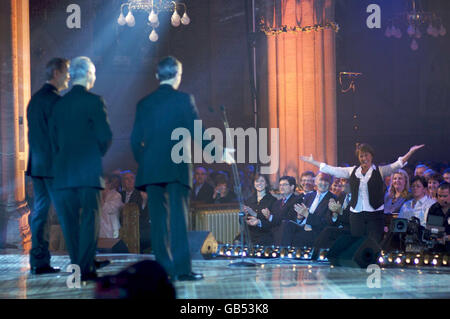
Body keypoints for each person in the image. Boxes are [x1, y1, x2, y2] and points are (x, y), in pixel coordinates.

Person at [131, 56, 212, 281]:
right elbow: (198, 132)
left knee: (157, 222)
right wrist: (218, 153)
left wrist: (145, 163)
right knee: (179, 220)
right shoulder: (184, 100)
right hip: (177, 169)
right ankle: (182, 271)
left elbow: (135, 140)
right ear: (178, 75)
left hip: (153, 171)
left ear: (157, 76)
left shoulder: (144, 103)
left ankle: (163, 270)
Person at [49, 56, 113, 282]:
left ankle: (77, 268)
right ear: (87, 75)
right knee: (89, 220)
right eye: (94, 73)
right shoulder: (95, 101)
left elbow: (53, 141)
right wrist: (94, 155)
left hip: (63, 175)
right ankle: (86, 270)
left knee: (70, 224)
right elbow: (105, 137)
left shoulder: (58, 105)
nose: (95, 77)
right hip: (88, 173)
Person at [300, 143, 425, 243]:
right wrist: (313, 162)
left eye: (366, 155)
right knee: (358, 242)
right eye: (361, 156)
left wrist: (411, 152)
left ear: (371, 156)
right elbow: (333, 170)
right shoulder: (352, 171)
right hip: (356, 214)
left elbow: (397, 164)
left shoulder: (380, 171)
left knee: (373, 243)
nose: (364, 158)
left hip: (374, 214)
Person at [26, 57, 70, 275]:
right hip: (54, 166)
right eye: (67, 72)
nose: (69, 77)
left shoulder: (34, 100)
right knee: (66, 212)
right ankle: (81, 259)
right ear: (56, 73)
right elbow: (60, 136)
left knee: (41, 212)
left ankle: (39, 261)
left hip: (37, 165)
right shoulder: (55, 101)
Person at [279, 172, 341, 247]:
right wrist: (299, 217)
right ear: (315, 182)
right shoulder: (309, 196)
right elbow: (300, 219)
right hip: (302, 227)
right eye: (321, 180)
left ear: (330, 183)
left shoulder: (333, 199)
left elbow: (326, 223)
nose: (323, 183)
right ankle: (284, 253)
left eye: (326, 181)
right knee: (286, 224)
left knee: (303, 233)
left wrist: (307, 215)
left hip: (316, 230)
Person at [246, 176, 303, 245]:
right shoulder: (278, 203)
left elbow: (287, 220)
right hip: (273, 235)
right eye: (280, 185)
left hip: (288, 236)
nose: (281, 187)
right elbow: (271, 222)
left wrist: (269, 217)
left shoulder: (297, 200)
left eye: (285, 184)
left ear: (292, 187)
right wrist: (259, 222)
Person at [243, 173, 277, 246]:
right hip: (250, 234)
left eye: (262, 181)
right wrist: (245, 217)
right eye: (257, 181)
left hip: (264, 235)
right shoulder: (249, 200)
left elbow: (272, 223)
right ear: (254, 183)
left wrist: (257, 219)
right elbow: (241, 220)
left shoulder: (272, 200)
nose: (259, 183)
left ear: (266, 184)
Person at [120, 170, 149, 253]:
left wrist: (144, 201)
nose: (129, 181)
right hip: (122, 229)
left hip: (139, 229)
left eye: (132, 178)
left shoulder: (141, 193)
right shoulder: (119, 195)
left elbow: (144, 214)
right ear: (123, 182)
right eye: (126, 179)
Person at [425, 182, 450, 250]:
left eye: (445, 196)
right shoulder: (434, 209)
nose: (442, 199)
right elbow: (431, 230)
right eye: (439, 196)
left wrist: (447, 237)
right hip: (437, 246)